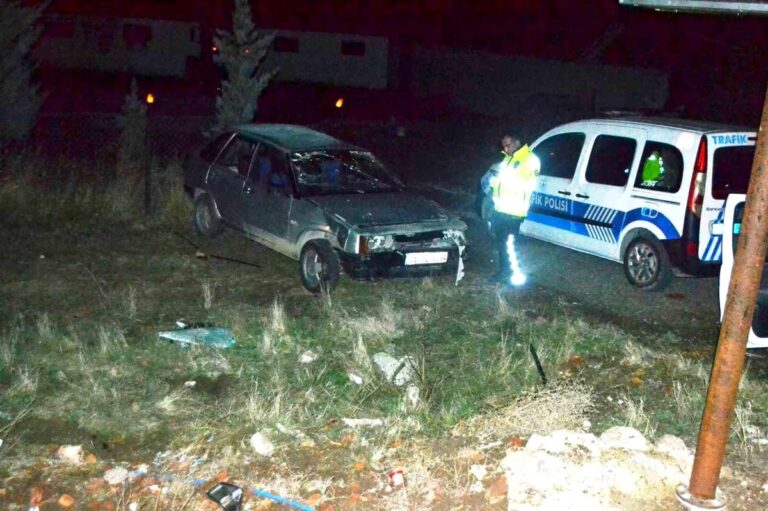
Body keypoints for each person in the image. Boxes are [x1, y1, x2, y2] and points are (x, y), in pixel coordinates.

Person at [489, 143, 540, 287]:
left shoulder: (530, 160)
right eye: (504, 145)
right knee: (502, 245)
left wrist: (503, 176)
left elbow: (527, 185)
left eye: (508, 145)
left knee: (510, 246)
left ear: (517, 143)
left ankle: (513, 276)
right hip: (501, 209)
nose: (505, 148)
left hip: (514, 212)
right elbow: (498, 182)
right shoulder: (508, 159)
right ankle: (503, 272)